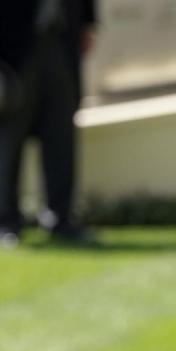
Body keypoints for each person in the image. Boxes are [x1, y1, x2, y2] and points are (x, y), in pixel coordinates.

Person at [0, 0, 96, 247]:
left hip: (62, 40)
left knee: (61, 135)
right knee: (8, 140)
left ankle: (60, 219)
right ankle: (6, 223)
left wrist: (88, 22)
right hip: (12, 49)